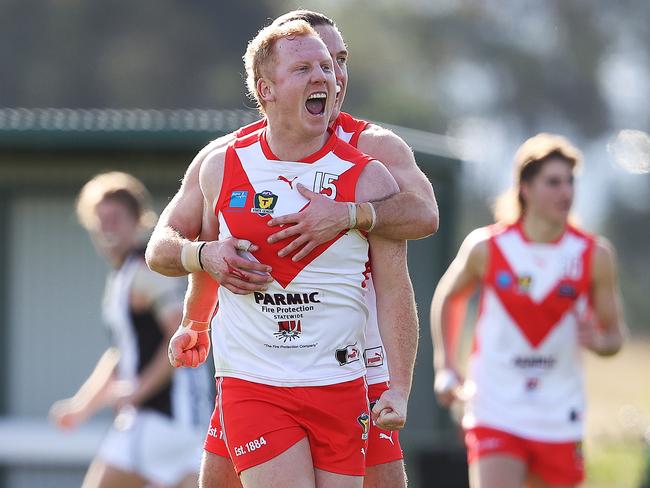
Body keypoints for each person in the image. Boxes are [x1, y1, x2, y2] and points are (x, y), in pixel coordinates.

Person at [146, 10, 436, 488]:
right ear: (266, 87)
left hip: (351, 368)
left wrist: (349, 214)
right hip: (256, 373)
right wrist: (196, 309)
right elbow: (177, 246)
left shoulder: (372, 156)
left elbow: (422, 219)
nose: (330, 75)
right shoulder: (225, 159)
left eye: (336, 62)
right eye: (308, 66)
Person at [430, 133, 626, 488]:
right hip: (495, 408)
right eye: (553, 182)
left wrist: (597, 341)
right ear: (525, 188)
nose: (565, 192)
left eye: (570, 182)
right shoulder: (487, 246)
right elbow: (448, 297)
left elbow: (614, 337)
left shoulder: (594, 256)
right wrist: (446, 366)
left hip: (559, 416)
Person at [49, 172, 212, 488]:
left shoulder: (144, 272)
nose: (106, 228)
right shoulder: (123, 275)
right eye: (100, 220)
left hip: (162, 419)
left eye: (115, 218)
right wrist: (82, 407)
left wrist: (139, 389)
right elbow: (121, 354)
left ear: (138, 220)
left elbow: (181, 333)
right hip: (185, 422)